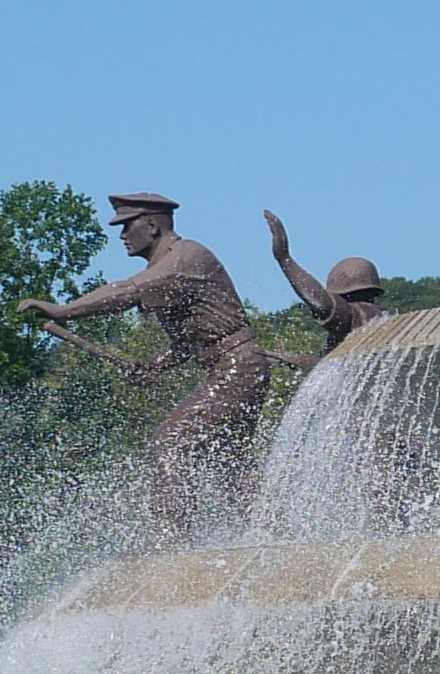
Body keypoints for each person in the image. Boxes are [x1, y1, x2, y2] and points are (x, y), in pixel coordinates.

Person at [22, 193, 271, 537]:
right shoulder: (166, 266)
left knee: (171, 442)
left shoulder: (184, 258)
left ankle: (172, 541)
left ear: (152, 225)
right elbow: (188, 343)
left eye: (127, 226)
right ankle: (273, 531)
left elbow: (126, 292)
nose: (122, 236)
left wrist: (64, 311)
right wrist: (155, 364)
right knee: (229, 460)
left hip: (238, 365)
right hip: (237, 365)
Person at [263, 210, 385, 353]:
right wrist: (282, 357)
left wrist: (285, 259)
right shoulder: (378, 321)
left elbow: (322, 303)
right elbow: (320, 362)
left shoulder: (359, 315)